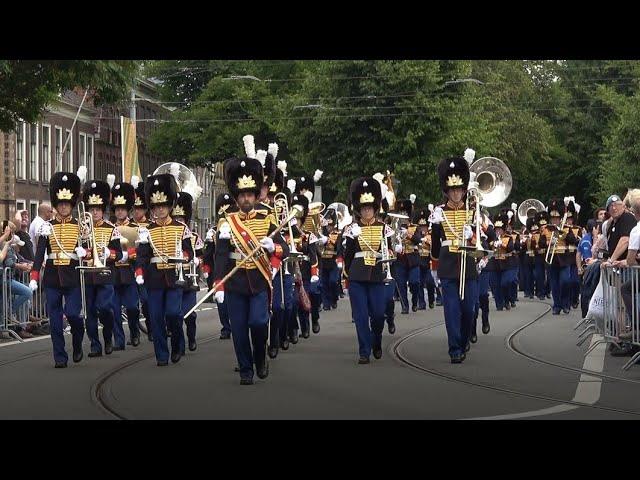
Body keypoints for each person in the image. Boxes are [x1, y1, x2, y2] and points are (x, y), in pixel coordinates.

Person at [212, 156, 288, 385]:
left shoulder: (268, 217)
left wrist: (272, 246)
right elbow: (222, 255)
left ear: (255, 195)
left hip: (259, 278)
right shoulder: (227, 221)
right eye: (242, 195)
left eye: (250, 194)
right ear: (237, 196)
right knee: (238, 329)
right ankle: (246, 369)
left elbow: (283, 247)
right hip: (235, 280)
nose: (246, 198)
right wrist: (219, 283)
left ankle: (259, 357)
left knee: (257, 323)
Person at [135, 173, 193, 366]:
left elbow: (189, 252)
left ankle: (177, 344)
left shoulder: (181, 227)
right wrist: (140, 273)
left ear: (169, 206)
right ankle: (161, 354)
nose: (159, 210)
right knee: (156, 317)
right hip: (154, 279)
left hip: (174, 277)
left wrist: (185, 257)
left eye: (163, 206)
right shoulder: (147, 230)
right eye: (156, 207)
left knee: (174, 313)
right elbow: (142, 256)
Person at [30, 172, 85, 368]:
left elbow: (90, 252)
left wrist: (83, 252)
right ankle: (60, 357)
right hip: (53, 276)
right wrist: (34, 275)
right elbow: (39, 254)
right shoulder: (47, 227)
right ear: (56, 204)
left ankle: (78, 340)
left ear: (71, 205)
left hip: (72, 276)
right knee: (54, 321)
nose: (63, 206)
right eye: (60, 203)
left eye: (66, 203)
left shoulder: (80, 226)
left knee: (72, 314)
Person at [430, 156, 478, 364]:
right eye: (452, 190)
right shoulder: (438, 213)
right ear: (447, 191)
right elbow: (434, 244)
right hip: (448, 266)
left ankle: (464, 338)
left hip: (468, 265)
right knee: (451, 310)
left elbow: (481, 240)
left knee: (469, 309)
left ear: (464, 190)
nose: (456, 193)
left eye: (459, 189)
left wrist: (473, 236)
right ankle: (455, 349)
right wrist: (434, 267)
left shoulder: (474, 212)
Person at [343, 177, 391, 364]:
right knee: (361, 316)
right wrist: (352, 239)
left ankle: (376, 341)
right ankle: (364, 351)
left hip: (377, 274)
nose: (367, 211)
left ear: (375, 208)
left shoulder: (384, 228)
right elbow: (347, 256)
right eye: (363, 208)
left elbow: (389, 250)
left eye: (370, 208)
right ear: (359, 210)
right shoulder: (351, 229)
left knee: (379, 314)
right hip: (357, 275)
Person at [80, 178, 123, 356]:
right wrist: (82, 252)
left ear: (102, 209)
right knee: (90, 312)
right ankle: (95, 345)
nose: (94, 212)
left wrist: (108, 254)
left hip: (105, 274)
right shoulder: (82, 230)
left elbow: (119, 254)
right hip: (89, 274)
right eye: (92, 209)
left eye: (97, 209)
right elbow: (80, 252)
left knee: (105, 308)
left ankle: (107, 337)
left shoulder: (112, 229)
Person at [171, 191, 205, 354]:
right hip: (174, 278)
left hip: (189, 279)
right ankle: (180, 345)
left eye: (181, 219)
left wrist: (198, 261)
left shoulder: (194, 236)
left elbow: (200, 255)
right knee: (176, 315)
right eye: (176, 219)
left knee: (190, 314)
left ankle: (191, 337)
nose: (179, 222)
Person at [110, 181, 142, 347]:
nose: (119, 211)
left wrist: (129, 255)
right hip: (114, 273)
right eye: (117, 208)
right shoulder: (110, 228)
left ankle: (135, 332)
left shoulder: (136, 228)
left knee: (132, 307)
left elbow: (141, 251)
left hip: (129, 272)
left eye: (122, 208)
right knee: (114, 310)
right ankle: (119, 340)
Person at [203, 192, 237, 340]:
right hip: (220, 268)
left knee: (234, 300)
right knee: (221, 301)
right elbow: (209, 254)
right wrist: (207, 269)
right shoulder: (213, 231)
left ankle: (236, 325)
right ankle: (226, 327)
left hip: (236, 267)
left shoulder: (236, 227)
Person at [131, 176, 153, 342]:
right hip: (128, 267)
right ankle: (134, 333)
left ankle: (152, 327)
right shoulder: (127, 225)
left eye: (139, 208)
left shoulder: (151, 226)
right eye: (134, 208)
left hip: (146, 269)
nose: (136, 211)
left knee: (146, 300)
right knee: (131, 305)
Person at [393, 197, 423, 313]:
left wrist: (408, 234)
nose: (402, 215)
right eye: (400, 213)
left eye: (404, 213)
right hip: (400, 259)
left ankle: (415, 301)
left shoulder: (414, 227)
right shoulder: (394, 228)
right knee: (400, 284)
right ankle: (405, 306)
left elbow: (418, 240)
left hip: (412, 259)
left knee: (414, 282)